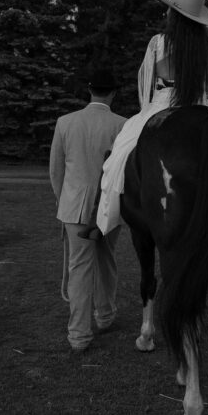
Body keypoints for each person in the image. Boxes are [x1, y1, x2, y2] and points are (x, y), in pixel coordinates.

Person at [95, 0, 208, 237]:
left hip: (162, 103)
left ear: (175, 16)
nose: (166, 13)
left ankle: (105, 217)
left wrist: (147, 110)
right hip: (200, 106)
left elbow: (147, 83)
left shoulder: (158, 43)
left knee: (119, 154)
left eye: (170, 10)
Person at [49, 67, 126, 352]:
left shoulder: (66, 122)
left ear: (89, 90)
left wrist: (65, 201)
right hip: (111, 206)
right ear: (113, 93)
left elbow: (56, 170)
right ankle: (104, 316)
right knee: (106, 260)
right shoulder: (123, 125)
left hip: (75, 207)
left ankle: (79, 335)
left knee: (80, 268)